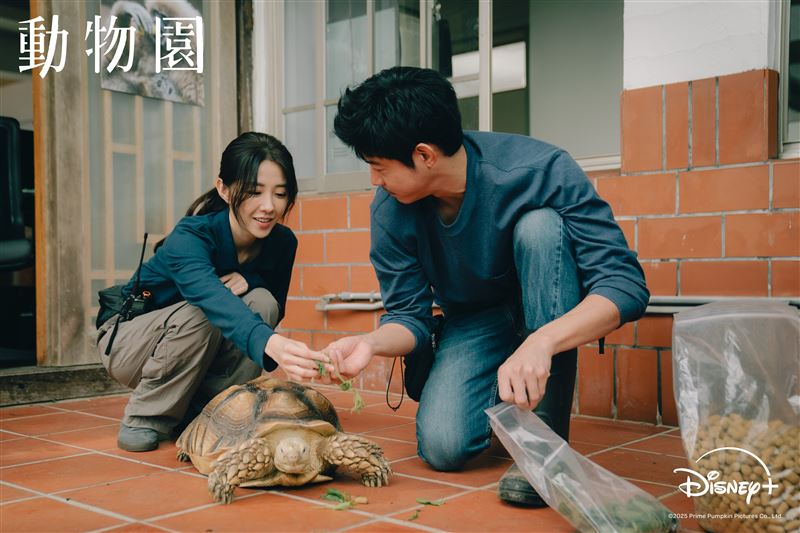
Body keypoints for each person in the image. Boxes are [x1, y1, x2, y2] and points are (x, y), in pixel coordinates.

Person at [324, 67, 649, 507]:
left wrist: (543, 340)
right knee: (442, 447)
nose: (375, 181)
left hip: (551, 305)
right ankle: (507, 402)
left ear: (424, 155)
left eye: (379, 167)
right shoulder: (390, 211)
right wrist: (371, 342)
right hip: (475, 319)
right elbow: (409, 317)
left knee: (541, 228)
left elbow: (624, 283)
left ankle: (544, 450)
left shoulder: (541, 168)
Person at [96, 132, 332, 453]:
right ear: (223, 188)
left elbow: (273, 306)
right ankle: (146, 416)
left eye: (280, 194)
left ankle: (211, 412)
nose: (268, 207)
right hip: (129, 341)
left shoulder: (282, 242)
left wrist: (251, 278)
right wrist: (271, 343)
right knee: (206, 310)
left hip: (193, 339)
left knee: (262, 301)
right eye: (254, 192)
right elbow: (209, 297)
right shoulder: (190, 237)